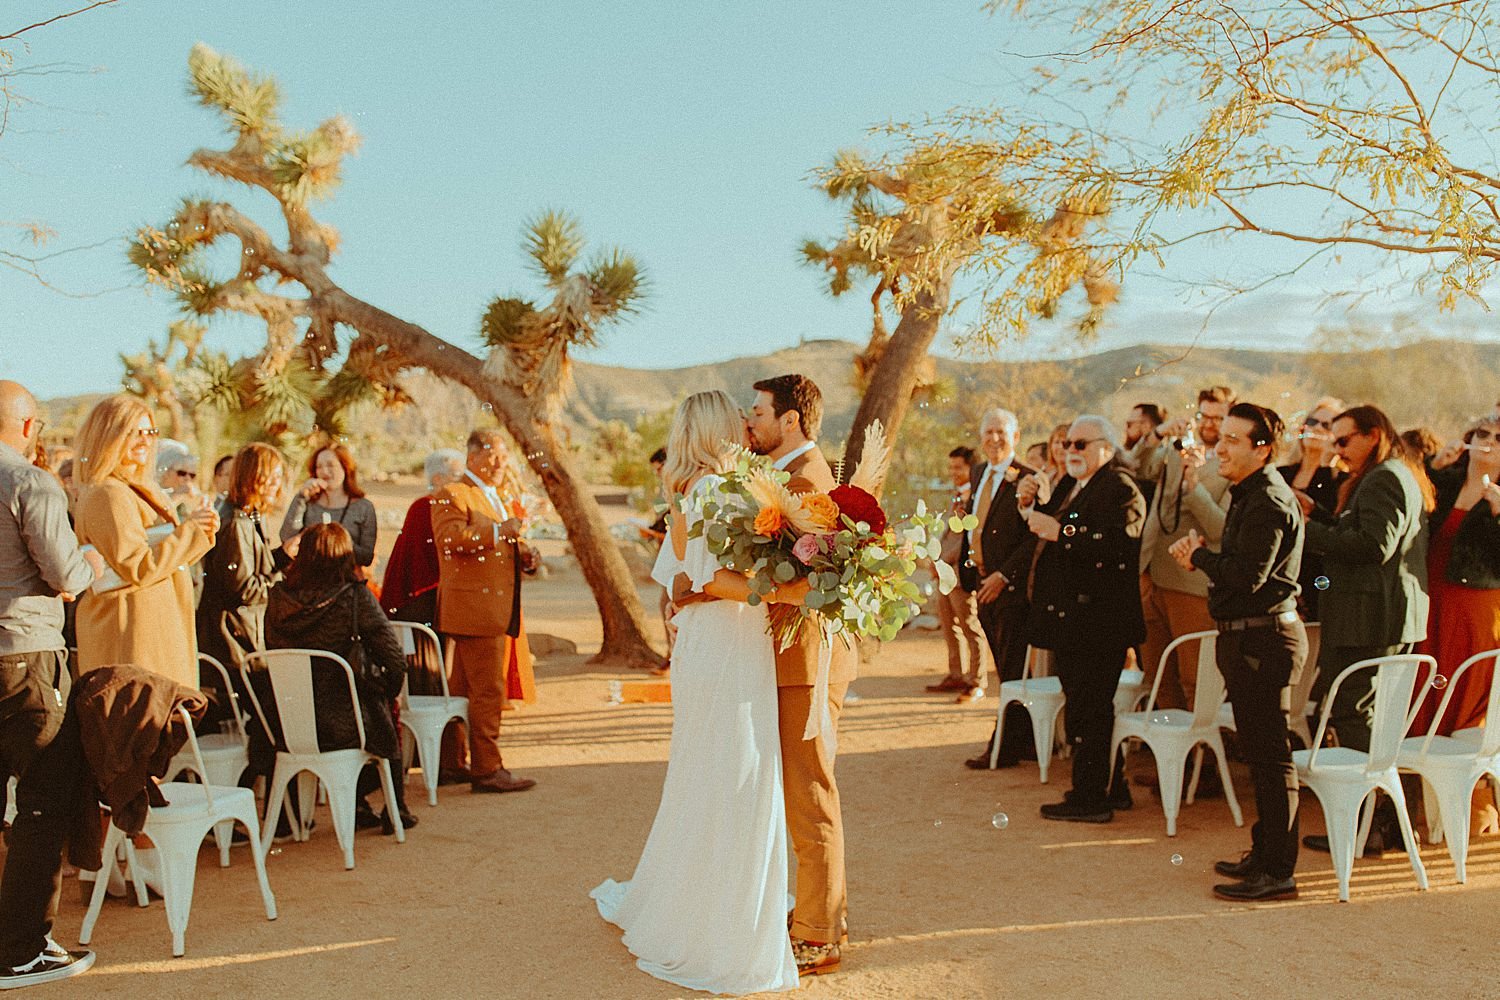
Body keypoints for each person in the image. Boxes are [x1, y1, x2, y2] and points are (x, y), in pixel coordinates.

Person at [591, 389, 806, 995]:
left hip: (713, 644)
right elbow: (711, 577)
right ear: (716, 428)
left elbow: (677, 582)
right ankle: (720, 927)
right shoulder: (716, 492)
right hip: (729, 648)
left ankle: (704, 902)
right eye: (737, 417)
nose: (745, 423)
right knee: (736, 772)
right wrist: (790, 592)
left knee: (713, 770)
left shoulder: (692, 492)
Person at [1170, 402, 1307, 902]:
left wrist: (1198, 557)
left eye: (1232, 439)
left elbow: (1248, 575)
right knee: (1261, 755)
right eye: (1220, 436)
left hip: (1263, 641)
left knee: (1271, 759)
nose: (1219, 447)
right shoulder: (1251, 493)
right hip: (1250, 639)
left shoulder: (1269, 499)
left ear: (1261, 448)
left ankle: (1278, 870)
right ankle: (1265, 852)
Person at [744, 373, 856, 975]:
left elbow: (807, 580)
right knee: (801, 792)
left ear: (790, 419)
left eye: (758, 410)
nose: (749, 419)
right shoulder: (790, 476)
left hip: (808, 661)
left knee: (810, 793)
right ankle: (817, 912)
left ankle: (819, 933)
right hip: (791, 658)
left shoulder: (808, 481)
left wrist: (724, 586)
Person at [0, 380, 103, 989]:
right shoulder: (29, 482)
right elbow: (66, 575)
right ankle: (21, 947)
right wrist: (88, 561)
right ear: (30, 426)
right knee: (44, 798)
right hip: (25, 655)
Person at [1300, 404, 1433, 856]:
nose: (1337, 452)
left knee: (1352, 713)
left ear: (1372, 435)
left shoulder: (1386, 477)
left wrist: (1306, 531)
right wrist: (1318, 514)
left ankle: (1377, 823)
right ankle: (1383, 823)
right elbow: (1363, 532)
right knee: (1360, 715)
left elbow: (1375, 545)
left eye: (1343, 441)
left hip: (1370, 619)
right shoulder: (1388, 475)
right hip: (1373, 616)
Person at [1021, 415, 1145, 823]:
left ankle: (1091, 799)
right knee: (1085, 707)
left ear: (1106, 448)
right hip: (1076, 622)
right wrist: (1029, 506)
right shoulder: (1074, 485)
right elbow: (1053, 525)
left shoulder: (1121, 488)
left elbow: (1119, 545)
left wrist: (1063, 534)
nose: (1070, 451)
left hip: (1101, 623)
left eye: (1081, 444)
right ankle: (1111, 789)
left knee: (1091, 709)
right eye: (1068, 444)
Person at [264, 522, 415, 833]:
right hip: (347, 724)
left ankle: (307, 813)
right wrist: (389, 691)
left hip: (286, 724)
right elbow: (395, 661)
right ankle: (394, 808)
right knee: (386, 717)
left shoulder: (278, 598)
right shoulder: (355, 597)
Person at [72, 396, 217, 686]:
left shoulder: (135, 488)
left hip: (153, 631)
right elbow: (137, 566)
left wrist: (200, 529)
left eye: (149, 432)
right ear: (107, 435)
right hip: (133, 637)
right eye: (132, 432)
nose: (144, 441)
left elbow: (160, 555)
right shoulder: (109, 493)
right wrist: (190, 531)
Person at [432, 429, 540, 794]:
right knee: (487, 692)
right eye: (494, 455)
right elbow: (450, 540)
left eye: (504, 456)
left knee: (462, 689)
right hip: (475, 610)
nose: (500, 463)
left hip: (490, 607)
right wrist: (500, 531)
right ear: (473, 455)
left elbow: (501, 541)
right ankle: (488, 769)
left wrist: (524, 554)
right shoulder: (452, 493)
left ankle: (452, 763)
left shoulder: (498, 497)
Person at [1134, 386, 1233, 717]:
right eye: (1205, 415)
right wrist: (1158, 433)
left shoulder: (1231, 466)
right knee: (1158, 673)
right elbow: (1138, 465)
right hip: (1152, 572)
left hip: (1191, 583)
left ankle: (1199, 754)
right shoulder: (1178, 451)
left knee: (1193, 675)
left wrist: (1194, 486)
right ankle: (1170, 749)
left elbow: (1219, 528)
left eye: (1220, 418)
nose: (1210, 424)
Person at [956, 410, 1040, 766]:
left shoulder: (1029, 477)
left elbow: (1032, 537)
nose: (994, 439)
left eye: (1000, 432)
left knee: (1012, 668)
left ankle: (1003, 747)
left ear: (1015, 436)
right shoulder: (977, 473)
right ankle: (1026, 741)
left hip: (1011, 588)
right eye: (988, 432)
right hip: (980, 581)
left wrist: (1004, 575)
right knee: (1007, 668)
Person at [1411, 414, 1500, 735]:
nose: (1488, 441)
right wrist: (1432, 466)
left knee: (1463, 691)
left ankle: (1467, 778)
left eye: (1498, 438)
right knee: (1423, 686)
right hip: (1429, 599)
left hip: (1474, 609)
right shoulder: (1445, 481)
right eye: (1482, 433)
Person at [196, 443, 296, 679]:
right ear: (250, 475)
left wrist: (282, 556)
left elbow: (248, 568)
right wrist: (283, 587)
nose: (275, 483)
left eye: (278, 477)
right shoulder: (236, 523)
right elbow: (243, 590)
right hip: (235, 644)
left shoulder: (249, 516)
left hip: (242, 636)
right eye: (268, 476)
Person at [928, 444, 988, 699]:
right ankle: (956, 674)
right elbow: (949, 533)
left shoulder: (977, 498)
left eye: (958, 467)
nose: (953, 472)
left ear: (971, 468)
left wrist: (945, 560)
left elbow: (966, 538)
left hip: (959, 572)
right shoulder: (956, 495)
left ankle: (977, 680)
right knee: (948, 625)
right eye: (951, 467)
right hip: (944, 572)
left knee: (969, 626)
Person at [1277, 397, 1345, 620]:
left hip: (1315, 573)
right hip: (1279, 569)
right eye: (1313, 421)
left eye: (1327, 425)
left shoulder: (1338, 481)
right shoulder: (1281, 474)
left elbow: (1336, 524)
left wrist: (1329, 461)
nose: (1317, 428)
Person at [381, 448, 464, 625]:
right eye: (457, 476)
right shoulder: (424, 507)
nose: (463, 482)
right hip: (424, 599)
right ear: (437, 479)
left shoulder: (453, 507)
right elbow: (420, 560)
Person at [279, 443, 378, 571]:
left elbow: (366, 557)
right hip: (307, 580)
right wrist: (300, 498)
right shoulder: (307, 502)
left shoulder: (363, 507)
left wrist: (336, 541)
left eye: (331, 465)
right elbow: (287, 537)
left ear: (345, 468)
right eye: (319, 466)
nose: (324, 471)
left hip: (346, 584)